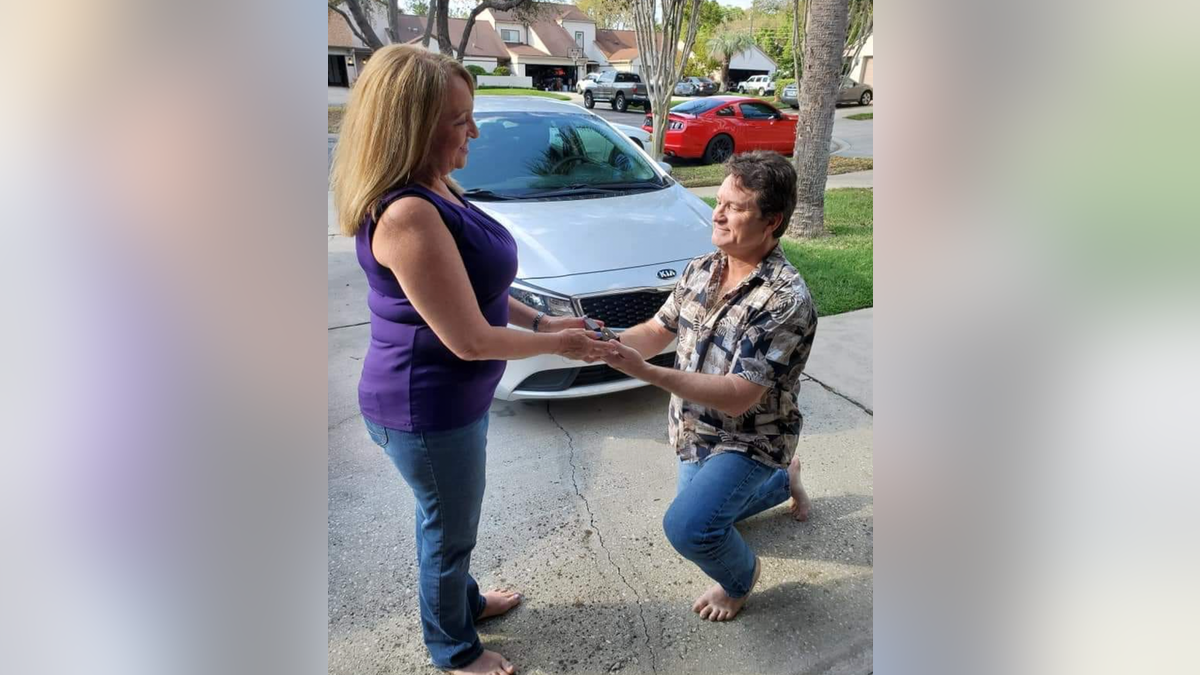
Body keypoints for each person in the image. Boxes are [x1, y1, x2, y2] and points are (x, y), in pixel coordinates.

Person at [331, 44, 608, 675]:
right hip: (424, 407)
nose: (474, 131)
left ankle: (468, 602)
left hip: (451, 402)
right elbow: (470, 339)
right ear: (413, 127)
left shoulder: (436, 184)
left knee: (453, 520)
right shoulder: (406, 214)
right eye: (460, 120)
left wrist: (541, 319)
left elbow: (476, 287)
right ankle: (454, 652)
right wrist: (561, 344)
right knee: (448, 533)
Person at [596, 150, 817, 622]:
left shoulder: (785, 299)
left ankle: (741, 579)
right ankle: (784, 482)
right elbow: (658, 329)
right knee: (715, 515)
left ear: (772, 221)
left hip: (751, 437)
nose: (717, 213)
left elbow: (740, 394)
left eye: (735, 207)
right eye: (718, 201)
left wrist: (649, 372)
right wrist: (602, 342)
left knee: (689, 527)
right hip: (695, 428)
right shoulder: (703, 268)